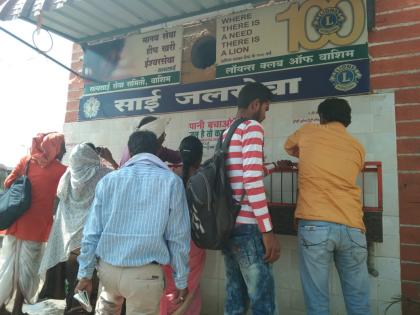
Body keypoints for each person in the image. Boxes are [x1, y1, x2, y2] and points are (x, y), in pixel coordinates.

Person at [75, 131, 191, 315]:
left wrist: (84, 275)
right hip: (146, 277)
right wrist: (181, 280)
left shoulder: (108, 181)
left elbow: (92, 233)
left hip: (108, 273)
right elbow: (178, 237)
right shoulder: (172, 182)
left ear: (130, 150)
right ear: (158, 150)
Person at [284, 98, 370, 315]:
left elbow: (288, 146)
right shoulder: (358, 147)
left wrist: (308, 154)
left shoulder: (308, 132)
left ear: (322, 117)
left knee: (318, 304)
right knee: (359, 303)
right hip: (353, 228)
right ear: (347, 120)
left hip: (316, 226)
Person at [222, 82, 281, 315]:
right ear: (255, 104)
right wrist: (268, 232)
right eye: (266, 109)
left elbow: (240, 175)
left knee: (235, 298)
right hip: (248, 228)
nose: (265, 115)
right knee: (263, 302)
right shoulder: (252, 127)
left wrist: (272, 167)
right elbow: (252, 181)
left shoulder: (228, 133)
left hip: (229, 225)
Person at [39, 143, 115, 314]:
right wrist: (111, 160)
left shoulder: (67, 176)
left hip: (71, 246)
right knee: (89, 291)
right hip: (93, 245)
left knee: (74, 288)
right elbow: (123, 178)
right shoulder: (104, 174)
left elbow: (59, 199)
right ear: (92, 156)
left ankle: (71, 309)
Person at [0, 133, 67, 315]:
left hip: (16, 221)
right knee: (28, 269)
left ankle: (1, 302)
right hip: (37, 227)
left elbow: (8, 183)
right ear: (56, 148)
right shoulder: (62, 170)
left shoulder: (26, 161)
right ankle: (17, 307)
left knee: (8, 265)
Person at [160, 136, 206, 315]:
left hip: (167, 242)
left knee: (170, 290)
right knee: (190, 289)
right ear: (200, 158)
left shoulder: (167, 177)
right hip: (194, 244)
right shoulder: (204, 178)